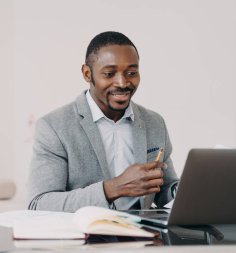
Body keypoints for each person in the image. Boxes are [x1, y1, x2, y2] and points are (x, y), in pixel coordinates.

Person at [27, 31, 179, 212]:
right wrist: (114, 188)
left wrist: (190, 189)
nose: (122, 83)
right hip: (86, 236)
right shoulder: (54, 127)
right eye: (109, 74)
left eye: (131, 72)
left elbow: (164, 190)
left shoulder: (154, 122)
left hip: (144, 233)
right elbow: (39, 203)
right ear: (87, 74)